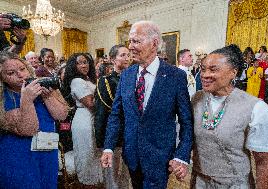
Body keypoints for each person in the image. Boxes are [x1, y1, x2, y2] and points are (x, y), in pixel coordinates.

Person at [101, 21, 193, 188]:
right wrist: (108, 147)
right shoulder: (126, 75)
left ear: (155, 43)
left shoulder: (175, 76)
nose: (131, 46)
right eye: (130, 41)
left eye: (136, 41)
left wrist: (182, 155)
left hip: (160, 157)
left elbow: (187, 121)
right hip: (132, 155)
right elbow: (116, 114)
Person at [190, 44, 268, 188]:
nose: (205, 75)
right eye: (203, 69)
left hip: (234, 183)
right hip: (200, 182)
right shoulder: (196, 99)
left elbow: (263, 163)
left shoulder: (255, 108)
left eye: (213, 69)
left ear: (233, 73)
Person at [0, 51, 68, 188]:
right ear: (2, 78)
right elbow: (28, 129)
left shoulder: (41, 83)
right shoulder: (2, 98)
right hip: (18, 157)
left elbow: (61, 115)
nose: (20, 75)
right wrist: (26, 100)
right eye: (11, 73)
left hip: (46, 152)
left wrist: (47, 97)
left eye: (22, 69)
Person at [62, 53, 103, 188]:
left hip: (92, 118)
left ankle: (95, 182)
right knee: (86, 152)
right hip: (84, 119)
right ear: (73, 66)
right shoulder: (77, 81)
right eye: (79, 63)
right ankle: (87, 182)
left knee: (94, 152)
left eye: (85, 62)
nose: (84, 65)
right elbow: (90, 103)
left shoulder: (88, 79)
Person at [94, 44, 130, 188]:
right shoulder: (106, 81)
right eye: (122, 55)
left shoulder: (136, 78)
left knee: (127, 173)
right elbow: (102, 112)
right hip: (114, 132)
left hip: (131, 133)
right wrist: (101, 140)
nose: (127, 58)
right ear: (113, 59)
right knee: (111, 174)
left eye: (128, 54)